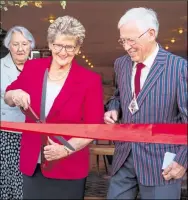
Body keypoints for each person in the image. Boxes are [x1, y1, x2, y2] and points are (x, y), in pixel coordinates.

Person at [4, 16, 104, 199]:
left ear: (78, 49)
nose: (63, 52)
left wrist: (66, 149)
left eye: (69, 47)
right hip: (32, 164)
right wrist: (15, 94)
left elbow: (93, 126)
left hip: (69, 166)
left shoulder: (90, 80)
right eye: (58, 45)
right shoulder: (33, 67)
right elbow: (8, 95)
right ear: (50, 44)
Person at [104, 7, 187, 199]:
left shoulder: (179, 68)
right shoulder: (121, 64)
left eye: (131, 40)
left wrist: (183, 161)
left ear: (151, 34)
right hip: (124, 158)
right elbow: (118, 96)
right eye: (123, 40)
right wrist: (114, 109)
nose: (126, 46)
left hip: (163, 164)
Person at [0, 26, 35, 200]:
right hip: (7, 135)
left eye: (24, 43)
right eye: (15, 44)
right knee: (9, 182)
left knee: (31, 181)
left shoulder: (38, 68)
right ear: (9, 46)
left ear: (30, 46)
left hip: (33, 134)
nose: (20, 49)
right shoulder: (0, 67)